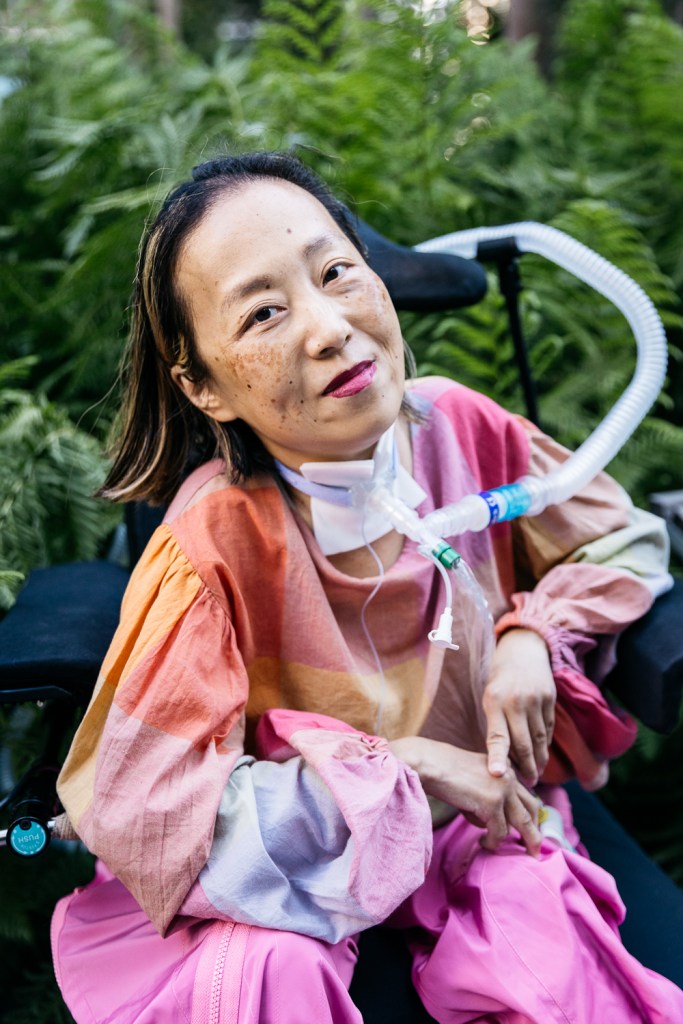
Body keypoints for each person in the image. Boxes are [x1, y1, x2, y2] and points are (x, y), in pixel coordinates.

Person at [51, 151, 682, 1023]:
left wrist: (531, 634)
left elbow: (621, 538)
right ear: (203, 385)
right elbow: (146, 812)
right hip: (296, 858)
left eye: (337, 273)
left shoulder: (459, 426)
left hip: (486, 828)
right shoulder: (211, 548)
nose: (328, 327)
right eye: (265, 311)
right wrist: (408, 771)